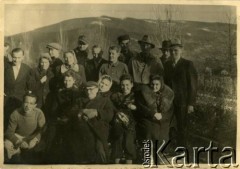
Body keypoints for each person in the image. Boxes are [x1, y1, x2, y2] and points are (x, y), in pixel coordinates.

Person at [164, 39, 198, 147]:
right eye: (171, 51)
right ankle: (169, 146)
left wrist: (191, 103)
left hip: (183, 101)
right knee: (167, 124)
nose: (173, 53)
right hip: (169, 101)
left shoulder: (188, 64)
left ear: (181, 51)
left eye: (176, 50)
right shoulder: (167, 65)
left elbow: (193, 85)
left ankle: (181, 150)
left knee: (182, 126)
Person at [70, 81, 114, 164]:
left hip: (98, 131)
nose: (88, 92)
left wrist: (97, 112)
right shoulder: (80, 100)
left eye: (91, 89)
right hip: (82, 131)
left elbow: (110, 115)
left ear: (97, 89)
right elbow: (72, 111)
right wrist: (82, 111)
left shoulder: (104, 100)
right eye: (86, 90)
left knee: (100, 151)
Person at [135, 75, 174, 164]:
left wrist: (162, 116)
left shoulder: (168, 94)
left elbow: (170, 111)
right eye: (152, 84)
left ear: (161, 84)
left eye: (157, 84)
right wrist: (153, 114)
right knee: (149, 133)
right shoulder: (144, 92)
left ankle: (159, 159)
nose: (154, 86)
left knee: (162, 137)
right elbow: (141, 107)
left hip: (162, 121)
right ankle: (147, 159)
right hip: (148, 119)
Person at [45, 71, 81, 163]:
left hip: (72, 119)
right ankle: (49, 158)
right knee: (51, 131)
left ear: (74, 81)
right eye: (65, 80)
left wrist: (67, 117)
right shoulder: (59, 92)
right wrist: (57, 117)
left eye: (69, 80)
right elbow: (54, 108)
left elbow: (75, 107)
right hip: (59, 119)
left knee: (69, 136)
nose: (67, 82)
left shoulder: (77, 93)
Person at [4, 91, 46, 163]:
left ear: (35, 105)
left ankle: (19, 152)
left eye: (31, 103)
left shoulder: (39, 113)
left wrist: (35, 140)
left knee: (35, 151)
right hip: (18, 137)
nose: (28, 106)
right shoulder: (15, 113)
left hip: (32, 137)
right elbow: (9, 132)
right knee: (6, 144)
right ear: (22, 103)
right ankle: (16, 154)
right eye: (26, 102)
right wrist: (18, 142)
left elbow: (42, 130)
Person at [110, 74, 137, 164]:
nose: (125, 87)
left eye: (127, 85)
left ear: (132, 84)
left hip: (131, 122)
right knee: (117, 140)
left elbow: (139, 110)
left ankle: (128, 164)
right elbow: (112, 108)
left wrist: (134, 108)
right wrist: (118, 113)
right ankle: (116, 164)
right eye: (122, 85)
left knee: (128, 142)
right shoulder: (116, 96)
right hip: (118, 121)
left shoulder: (136, 96)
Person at [4, 48, 32, 130]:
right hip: (6, 101)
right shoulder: (5, 67)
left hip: (20, 100)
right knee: (6, 122)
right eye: (14, 57)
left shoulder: (27, 69)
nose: (16, 60)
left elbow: (29, 86)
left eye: (19, 57)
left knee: (18, 123)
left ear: (23, 57)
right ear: (11, 56)